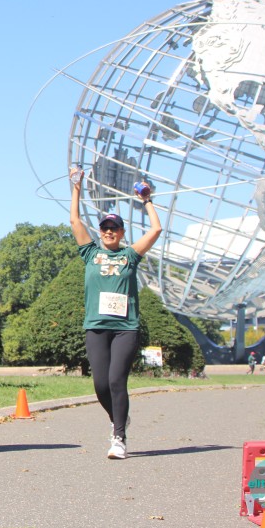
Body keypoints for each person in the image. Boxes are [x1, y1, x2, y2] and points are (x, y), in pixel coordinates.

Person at [69, 169, 162, 460]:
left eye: (114, 228)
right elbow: (75, 221)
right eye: (105, 228)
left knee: (116, 380)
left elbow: (156, 230)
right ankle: (118, 417)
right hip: (96, 327)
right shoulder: (90, 254)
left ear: (122, 233)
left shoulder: (129, 255)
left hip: (125, 328)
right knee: (100, 384)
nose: (109, 232)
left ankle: (119, 437)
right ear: (100, 232)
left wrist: (146, 201)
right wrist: (76, 186)